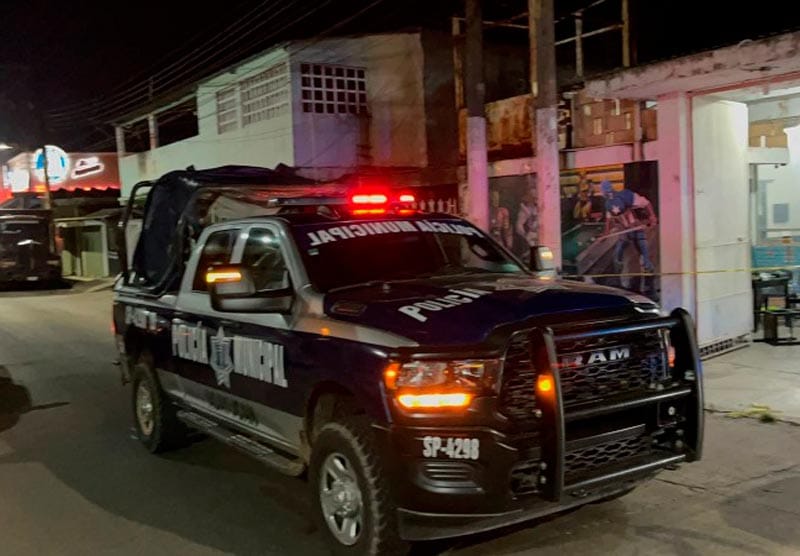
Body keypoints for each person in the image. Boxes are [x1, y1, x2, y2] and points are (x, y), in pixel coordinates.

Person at [600, 180, 657, 281]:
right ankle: (616, 275)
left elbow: (646, 203)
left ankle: (648, 270)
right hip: (625, 227)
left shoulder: (628, 196)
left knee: (641, 247)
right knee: (619, 251)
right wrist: (606, 233)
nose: (607, 195)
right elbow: (608, 218)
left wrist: (652, 216)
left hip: (636, 225)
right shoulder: (609, 203)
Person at [515, 191, 538, 256]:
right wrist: (526, 235)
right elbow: (519, 225)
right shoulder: (525, 210)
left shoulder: (543, 207)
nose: (535, 199)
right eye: (533, 197)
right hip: (532, 236)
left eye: (536, 197)